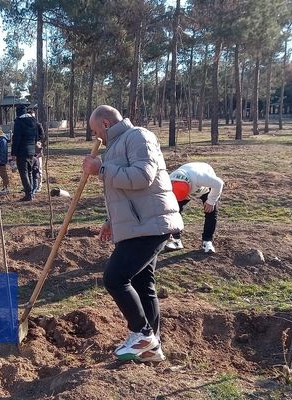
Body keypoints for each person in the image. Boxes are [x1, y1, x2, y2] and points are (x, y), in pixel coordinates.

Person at [81, 105, 183, 362]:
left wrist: (102, 170)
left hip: (150, 225)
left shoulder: (138, 137)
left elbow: (142, 177)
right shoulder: (115, 146)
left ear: (105, 124)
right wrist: (111, 220)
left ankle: (142, 333)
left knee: (115, 278)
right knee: (142, 283)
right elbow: (125, 193)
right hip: (140, 224)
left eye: (96, 131)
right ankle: (151, 348)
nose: (96, 137)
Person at [166, 162, 224, 254]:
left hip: (205, 187)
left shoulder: (200, 177)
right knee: (174, 211)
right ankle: (176, 240)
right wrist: (168, 231)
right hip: (180, 188)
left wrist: (211, 201)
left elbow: (219, 183)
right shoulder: (168, 181)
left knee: (211, 211)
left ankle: (207, 241)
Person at [11, 105, 44, 201]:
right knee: (29, 171)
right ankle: (31, 192)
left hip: (22, 151)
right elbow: (38, 135)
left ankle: (28, 194)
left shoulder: (18, 122)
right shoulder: (33, 120)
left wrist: (13, 153)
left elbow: (16, 138)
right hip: (32, 151)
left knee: (23, 172)